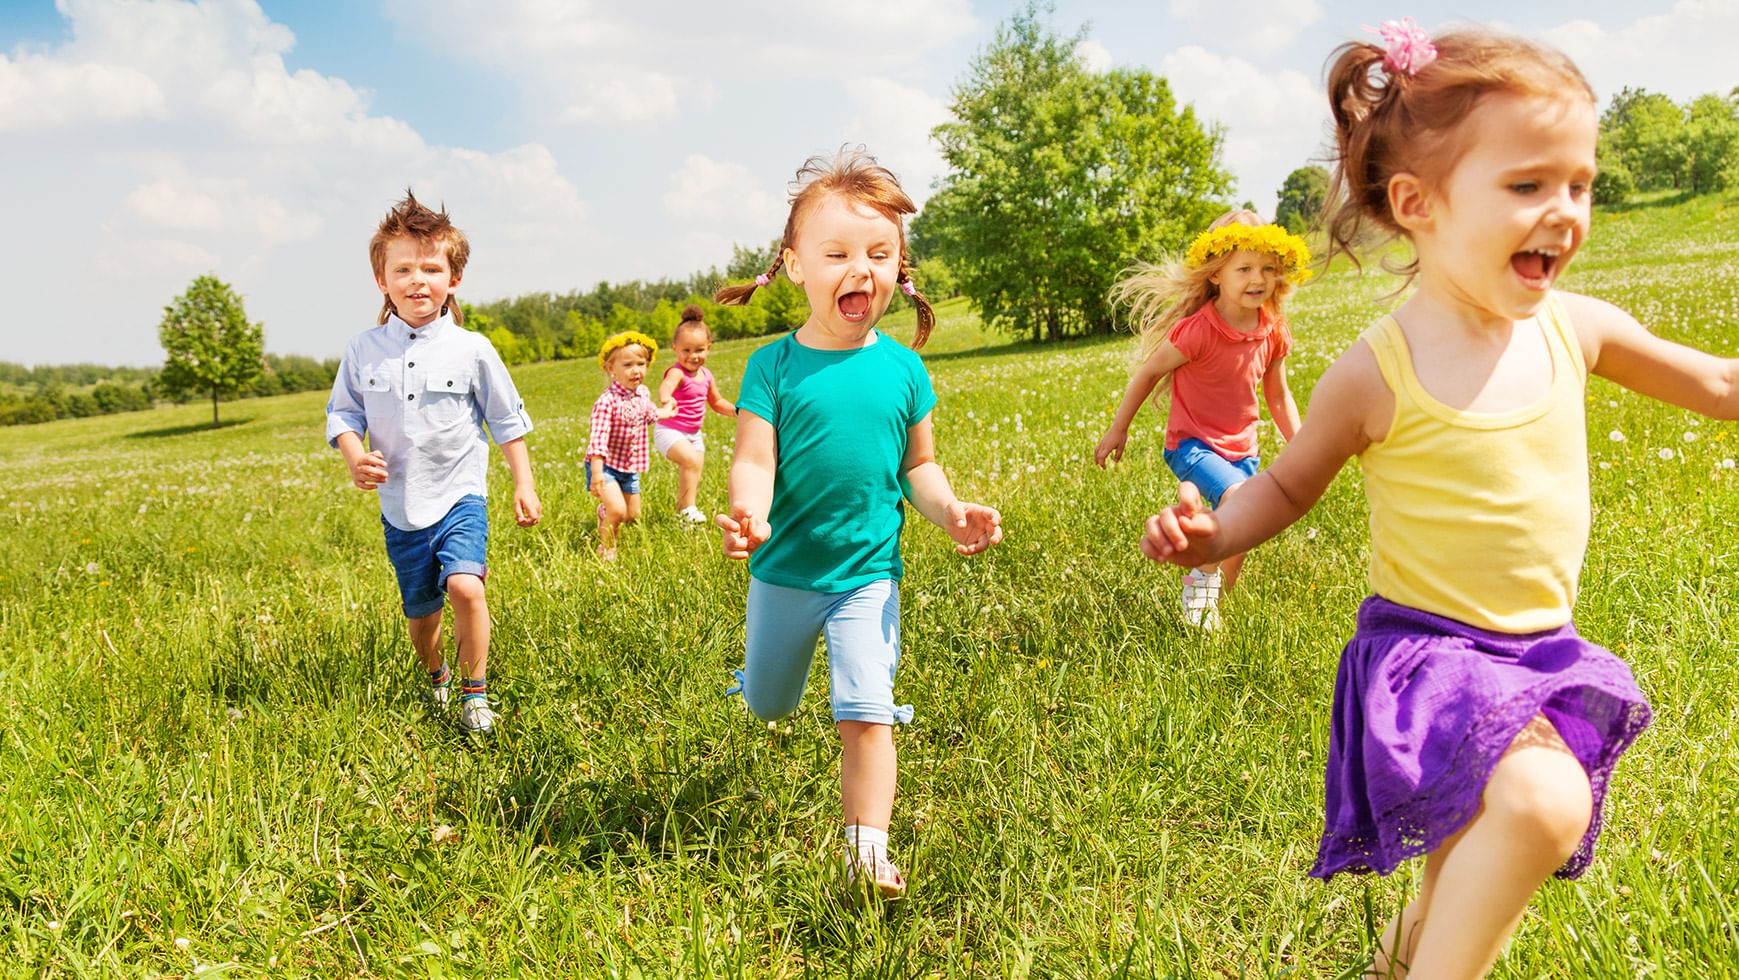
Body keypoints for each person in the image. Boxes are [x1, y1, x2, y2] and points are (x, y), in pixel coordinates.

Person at [1143, 21, 1739, 977]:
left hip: (1537, 648)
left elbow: (1716, 386)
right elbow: (1288, 483)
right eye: (1526, 185)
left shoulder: (1575, 330)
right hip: (1427, 655)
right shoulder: (1376, 371)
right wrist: (1212, 535)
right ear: (1417, 203)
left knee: (1469, 860)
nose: (1564, 211)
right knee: (1543, 805)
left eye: (1578, 184)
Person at [713, 148, 1003, 898]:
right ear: (794, 265)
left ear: (899, 265)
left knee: (865, 710)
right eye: (837, 252)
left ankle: (864, 849)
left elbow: (918, 469)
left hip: (867, 576)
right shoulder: (772, 367)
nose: (859, 269)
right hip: (783, 572)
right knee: (769, 703)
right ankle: (756, 679)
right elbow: (754, 458)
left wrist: (950, 511)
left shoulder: (905, 370)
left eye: (879, 253)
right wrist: (747, 509)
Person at [325, 191, 540, 735]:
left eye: (431, 267)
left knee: (468, 586)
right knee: (422, 618)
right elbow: (343, 414)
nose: (417, 279)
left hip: (460, 493)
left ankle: (475, 694)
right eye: (403, 268)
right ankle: (438, 673)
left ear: (453, 278)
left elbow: (507, 420)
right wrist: (356, 457)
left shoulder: (472, 349)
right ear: (382, 281)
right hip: (401, 505)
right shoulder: (363, 349)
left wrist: (524, 484)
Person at [1092, 208, 1308, 629]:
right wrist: (1119, 428)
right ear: (1216, 275)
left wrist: (1302, 444)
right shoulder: (1198, 330)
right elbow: (1150, 371)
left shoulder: (1273, 329)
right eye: (1243, 268)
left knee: (1242, 526)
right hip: (1191, 445)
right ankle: (1202, 594)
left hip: (1243, 448)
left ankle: (1212, 605)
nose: (1257, 279)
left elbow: (1278, 396)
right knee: (1240, 501)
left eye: (1267, 269)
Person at [585, 331, 674, 560]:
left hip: (630, 466)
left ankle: (604, 513)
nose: (636, 370)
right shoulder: (607, 402)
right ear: (610, 368)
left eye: (641, 364)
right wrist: (596, 474)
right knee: (617, 510)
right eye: (627, 365)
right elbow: (598, 440)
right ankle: (606, 549)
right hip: (605, 466)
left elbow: (647, 414)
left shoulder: (643, 393)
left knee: (632, 515)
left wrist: (665, 412)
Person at [655, 305, 737, 524]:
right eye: (686, 350)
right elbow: (666, 386)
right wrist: (666, 398)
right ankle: (688, 510)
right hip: (669, 430)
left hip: (694, 434)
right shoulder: (676, 372)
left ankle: (683, 512)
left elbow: (717, 402)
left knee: (694, 472)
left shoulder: (706, 375)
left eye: (699, 350)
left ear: (709, 347)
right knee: (690, 462)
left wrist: (738, 411)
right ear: (675, 348)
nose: (693, 356)